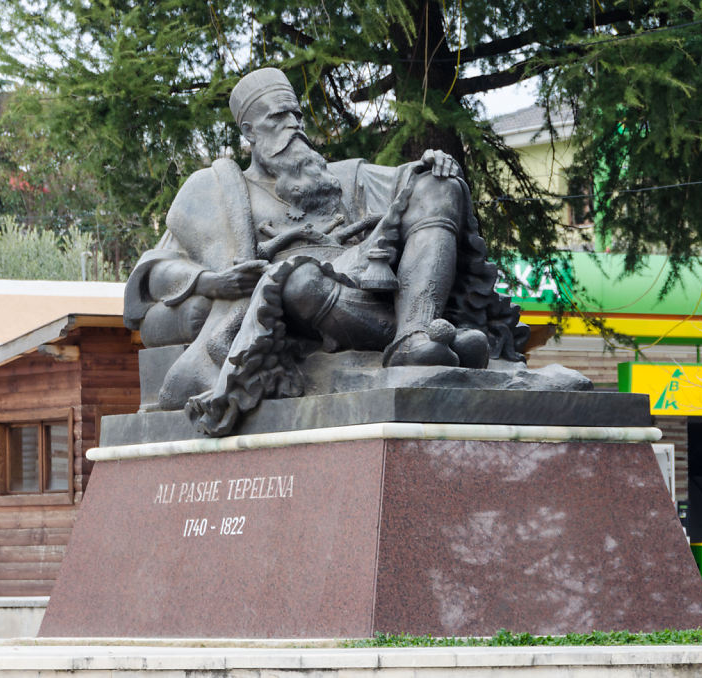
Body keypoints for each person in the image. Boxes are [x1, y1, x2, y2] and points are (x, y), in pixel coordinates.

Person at [125, 67, 528, 435]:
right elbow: (157, 269)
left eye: (296, 117)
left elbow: (411, 180)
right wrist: (213, 281)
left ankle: (414, 335)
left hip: (373, 286)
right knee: (300, 279)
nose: (293, 127)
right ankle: (440, 343)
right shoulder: (214, 190)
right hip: (298, 300)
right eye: (276, 119)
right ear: (248, 132)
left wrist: (432, 164)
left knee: (439, 185)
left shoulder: (343, 178)